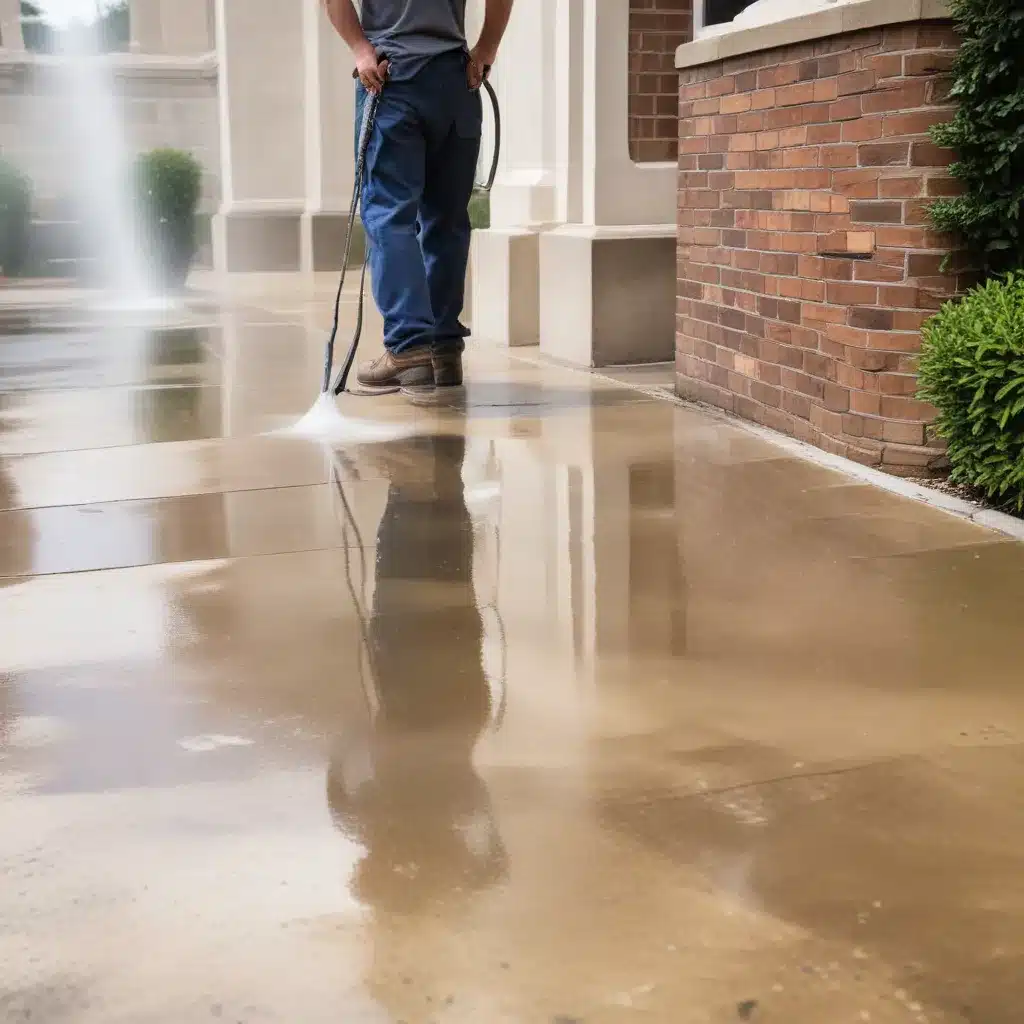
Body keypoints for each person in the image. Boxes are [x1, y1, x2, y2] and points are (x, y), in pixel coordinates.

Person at [323, 0, 515, 395]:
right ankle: (444, 348)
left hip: (392, 81)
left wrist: (361, 50)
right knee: (447, 220)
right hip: (456, 83)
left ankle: (409, 347)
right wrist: (486, 49)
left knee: (390, 216)